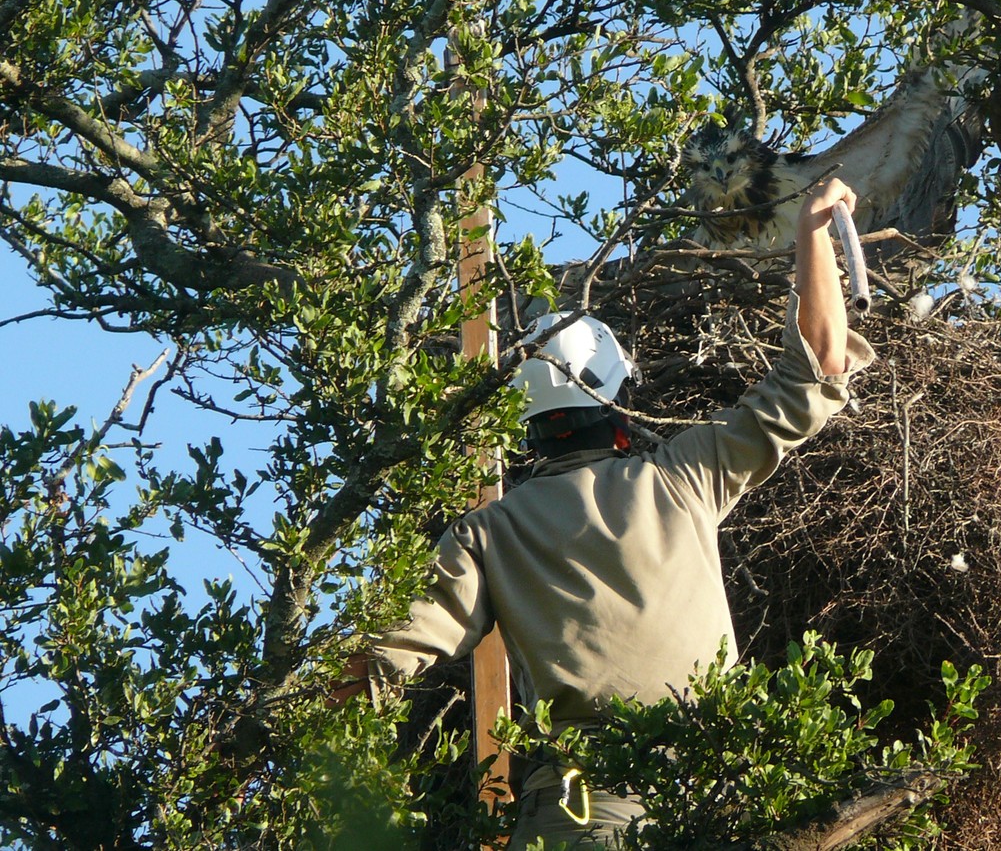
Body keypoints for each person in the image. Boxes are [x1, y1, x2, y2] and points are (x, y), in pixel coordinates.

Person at [332, 178, 874, 848]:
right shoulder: (679, 477)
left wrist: (261, 737)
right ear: (617, 402)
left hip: (577, 812)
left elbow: (384, 657)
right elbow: (816, 370)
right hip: (715, 798)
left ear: (525, 424)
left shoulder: (488, 534)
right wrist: (812, 229)